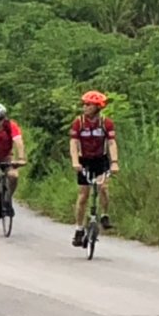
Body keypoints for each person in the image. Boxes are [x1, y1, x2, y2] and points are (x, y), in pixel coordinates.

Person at [70, 90, 119, 247]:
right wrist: (75, 162)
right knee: (83, 195)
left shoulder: (106, 123)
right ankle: (79, 229)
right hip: (84, 160)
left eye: (89, 105)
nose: (85, 107)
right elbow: (74, 143)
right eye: (84, 104)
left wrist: (114, 162)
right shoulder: (79, 122)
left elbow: (111, 142)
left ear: (97, 107)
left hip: (100, 160)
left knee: (103, 187)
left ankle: (104, 215)